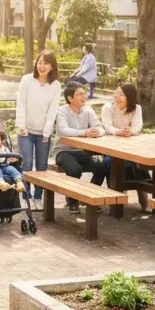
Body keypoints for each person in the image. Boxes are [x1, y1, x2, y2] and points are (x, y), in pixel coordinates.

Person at [15, 51, 62, 210]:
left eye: (46, 63)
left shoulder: (55, 85)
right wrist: (21, 126)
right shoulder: (27, 80)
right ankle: (26, 197)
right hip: (26, 131)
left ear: (52, 66)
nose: (42, 66)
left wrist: (47, 132)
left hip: (43, 133)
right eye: (40, 62)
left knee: (42, 166)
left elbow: (53, 110)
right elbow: (21, 103)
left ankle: (37, 197)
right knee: (27, 164)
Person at [52, 82, 106, 213]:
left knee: (102, 167)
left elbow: (100, 127)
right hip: (63, 151)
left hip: (82, 151)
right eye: (80, 94)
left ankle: (88, 197)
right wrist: (85, 132)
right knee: (75, 169)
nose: (84, 96)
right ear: (70, 98)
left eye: (84, 93)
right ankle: (72, 202)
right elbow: (64, 130)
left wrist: (96, 132)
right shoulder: (61, 111)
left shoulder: (88, 110)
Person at [88, 83, 147, 185]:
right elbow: (107, 126)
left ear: (129, 97)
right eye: (116, 93)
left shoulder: (136, 108)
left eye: (121, 95)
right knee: (107, 164)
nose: (117, 97)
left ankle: (143, 197)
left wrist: (130, 131)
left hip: (129, 146)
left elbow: (137, 126)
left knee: (138, 165)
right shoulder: (107, 108)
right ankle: (100, 193)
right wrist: (118, 131)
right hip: (109, 147)